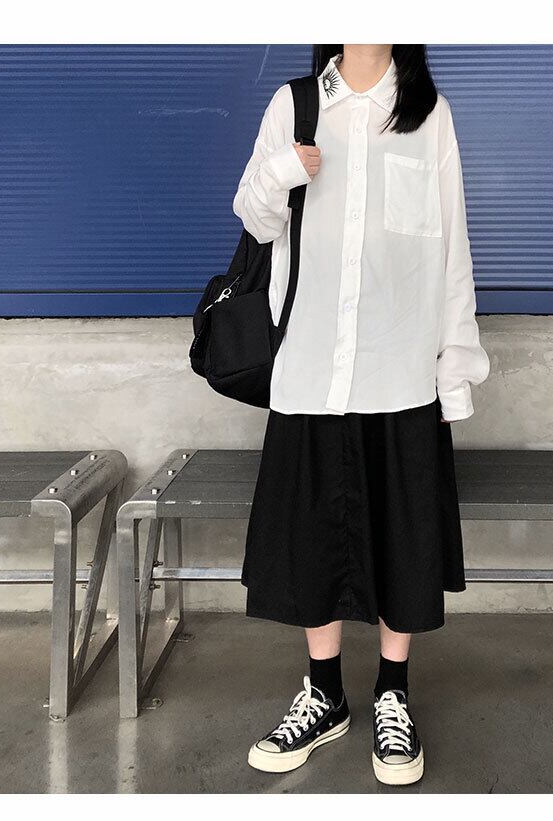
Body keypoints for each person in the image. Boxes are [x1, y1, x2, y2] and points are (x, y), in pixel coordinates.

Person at [233, 44, 489, 786]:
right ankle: (323, 694)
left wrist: (453, 373)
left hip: (400, 371)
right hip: (310, 367)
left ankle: (392, 693)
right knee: (312, 538)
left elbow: (452, 248)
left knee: (402, 542)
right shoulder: (295, 105)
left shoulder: (429, 115)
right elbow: (254, 218)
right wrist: (285, 171)